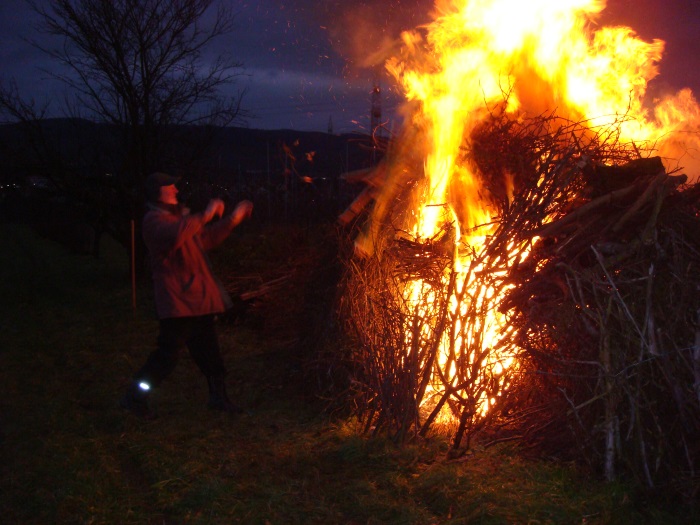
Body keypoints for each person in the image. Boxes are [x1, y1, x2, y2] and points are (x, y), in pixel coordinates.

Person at [120, 171, 253, 418]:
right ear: (158, 191)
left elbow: (206, 238)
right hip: (178, 302)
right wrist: (206, 214)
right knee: (167, 356)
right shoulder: (154, 221)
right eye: (171, 187)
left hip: (199, 301)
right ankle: (135, 396)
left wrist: (233, 219)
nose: (176, 190)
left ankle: (218, 398)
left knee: (210, 354)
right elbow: (178, 234)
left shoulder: (181, 219)